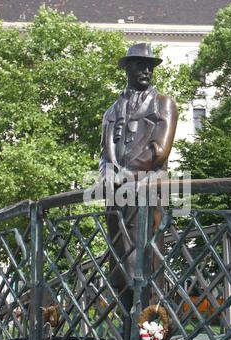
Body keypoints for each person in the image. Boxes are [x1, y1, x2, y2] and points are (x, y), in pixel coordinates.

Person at [99, 43, 178, 313]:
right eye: (139, 65)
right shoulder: (112, 110)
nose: (146, 71)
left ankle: (151, 331)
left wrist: (127, 173)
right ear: (127, 69)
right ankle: (124, 331)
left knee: (148, 261)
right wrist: (106, 173)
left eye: (150, 66)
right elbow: (104, 152)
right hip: (116, 196)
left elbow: (159, 150)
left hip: (148, 192)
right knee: (120, 263)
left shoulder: (163, 104)